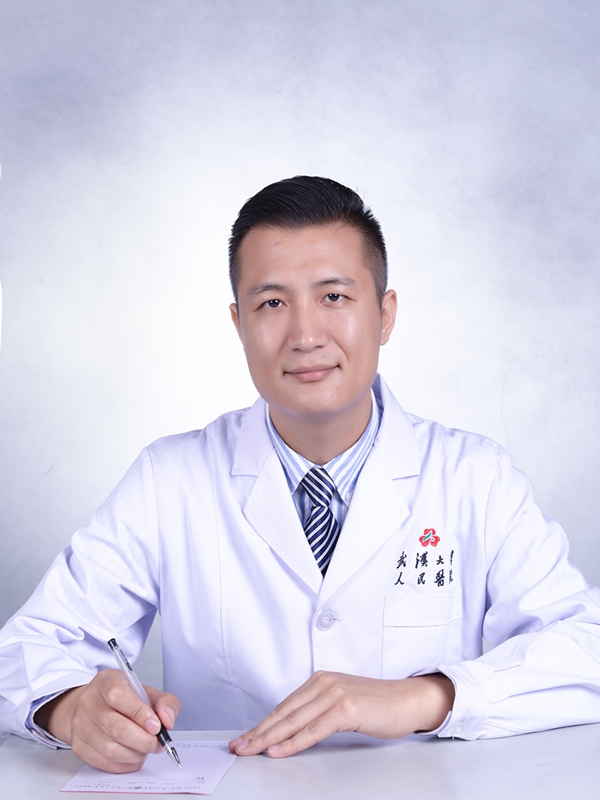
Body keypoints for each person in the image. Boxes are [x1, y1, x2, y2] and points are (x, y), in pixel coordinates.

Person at [1, 176, 600, 774]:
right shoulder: (170, 480)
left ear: (385, 315)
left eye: (334, 297)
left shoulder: (474, 478)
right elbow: (23, 650)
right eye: (272, 304)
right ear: (239, 323)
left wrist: (425, 697)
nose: (306, 336)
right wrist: (71, 709)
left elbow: (586, 649)